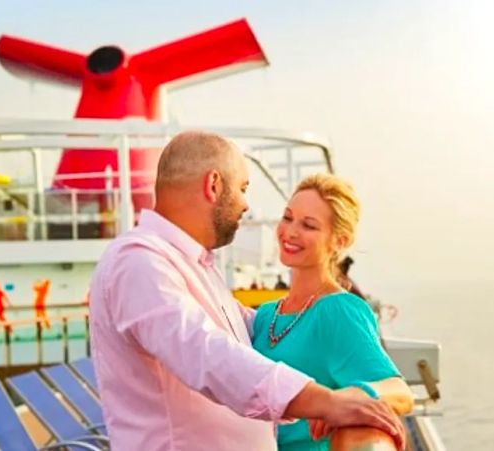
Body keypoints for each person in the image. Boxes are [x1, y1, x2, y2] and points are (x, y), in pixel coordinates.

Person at [89, 131, 404, 451]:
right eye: (242, 188)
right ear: (213, 185)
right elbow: (206, 353)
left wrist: (359, 391)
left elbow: (256, 330)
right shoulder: (138, 262)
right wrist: (326, 401)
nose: (245, 204)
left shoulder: (194, 268)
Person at [252, 173, 414, 450]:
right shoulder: (266, 315)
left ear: (339, 241)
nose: (290, 232)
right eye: (288, 217)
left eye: (309, 226)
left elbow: (400, 392)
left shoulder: (338, 312)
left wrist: (346, 398)